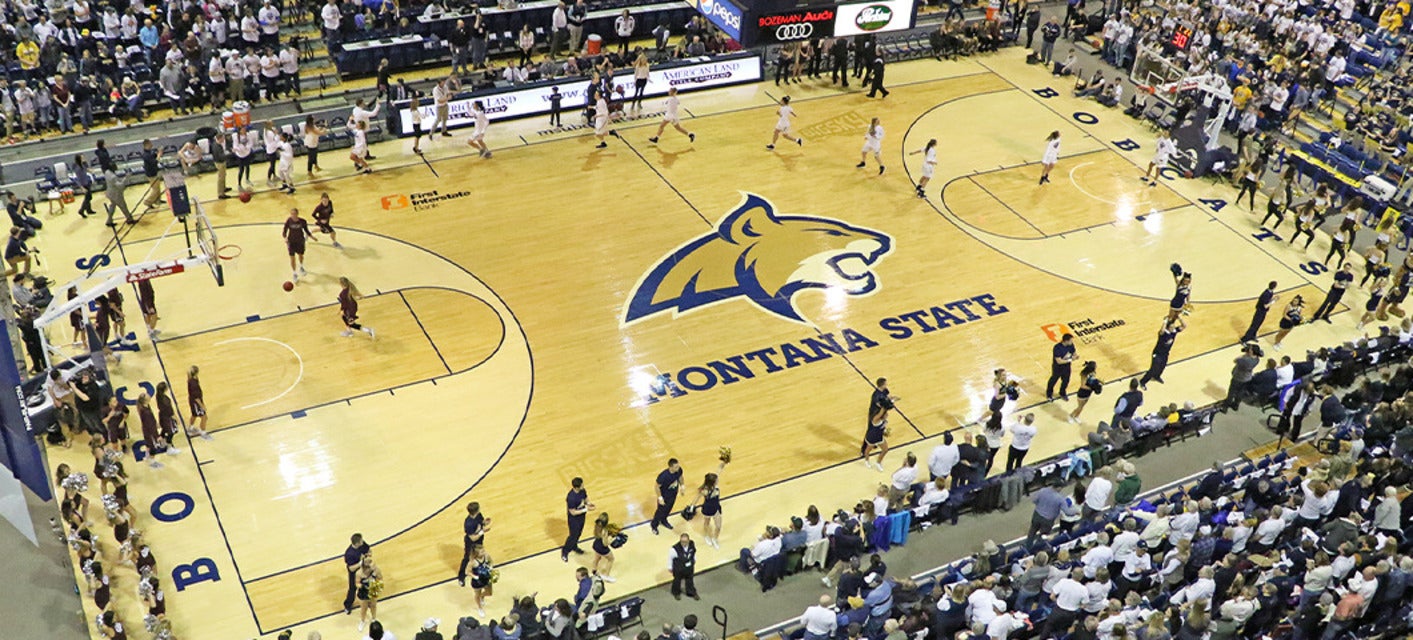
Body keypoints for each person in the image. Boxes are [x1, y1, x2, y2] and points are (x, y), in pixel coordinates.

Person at [688, 461, 727, 548]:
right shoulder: (705, 491)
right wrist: (691, 507)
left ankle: (715, 539)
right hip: (708, 509)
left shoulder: (715, 484)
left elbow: (719, 469)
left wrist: (724, 462)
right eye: (716, 480)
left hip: (716, 507)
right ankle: (706, 536)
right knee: (706, 523)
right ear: (712, 482)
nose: (718, 480)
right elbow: (697, 498)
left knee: (718, 526)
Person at [1139, 316, 1185, 389]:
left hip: (1165, 354)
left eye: (1174, 326)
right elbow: (1162, 330)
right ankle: (1143, 382)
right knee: (1153, 369)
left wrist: (1180, 318)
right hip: (1157, 354)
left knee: (1162, 366)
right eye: (1172, 327)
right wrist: (1165, 322)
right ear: (1168, 328)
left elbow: (1184, 326)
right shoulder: (1163, 334)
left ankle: (1156, 376)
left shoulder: (1174, 332)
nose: (1173, 328)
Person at [862, 378, 896, 471]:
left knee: (885, 449)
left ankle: (878, 462)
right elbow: (881, 408)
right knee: (867, 449)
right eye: (885, 384)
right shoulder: (875, 396)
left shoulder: (885, 391)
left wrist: (892, 399)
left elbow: (888, 398)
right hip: (874, 417)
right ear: (882, 384)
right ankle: (866, 459)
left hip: (879, 435)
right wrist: (888, 405)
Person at [456, 502, 487, 586]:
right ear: (476, 510)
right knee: (467, 558)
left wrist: (485, 523)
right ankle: (461, 577)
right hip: (471, 543)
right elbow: (473, 538)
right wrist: (482, 531)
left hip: (479, 540)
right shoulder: (469, 523)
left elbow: (481, 522)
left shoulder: (479, 515)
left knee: (480, 555)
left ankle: (478, 571)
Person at [561, 477, 592, 561]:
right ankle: (565, 551)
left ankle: (574, 546)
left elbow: (586, 498)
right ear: (577, 487)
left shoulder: (582, 490)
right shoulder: (571, 497)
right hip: (574, 520)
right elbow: (573, 512)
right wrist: (586, 509)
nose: (583, 485)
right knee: (573, 536)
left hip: (581, 516)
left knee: (579, 533)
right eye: (582, 484)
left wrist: (589, 504)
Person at [283, 207, 316, 283]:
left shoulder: (302, 221)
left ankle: (301, 266)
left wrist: (312, 237)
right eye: (292, 214)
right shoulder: (288, 221)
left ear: (297, 214)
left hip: (300, 241)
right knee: (292, 258)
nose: (293, 215)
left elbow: (306, 230)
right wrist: (285, 238)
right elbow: (284, 231)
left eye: (294, 214)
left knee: (301, 255)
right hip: (291, 242)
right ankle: (294, 273)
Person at [651, 458, 683, 535]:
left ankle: (664, 520)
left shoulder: (679, 470)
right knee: (660, 511)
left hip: (673, 494)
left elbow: (680, 477)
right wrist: (660, 498)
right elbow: (656, 487)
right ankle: (654, 525)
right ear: (670, 467)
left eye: (678, 466)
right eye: (676, 467)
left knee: (668, 509)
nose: (678, 468)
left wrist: (682, 486)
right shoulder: (663, 476)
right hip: (664, 496)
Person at [342, 533, 371, 614]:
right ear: (357, 543)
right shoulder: (349, 553)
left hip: (363, 570)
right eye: (361, 541)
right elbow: (351, 568)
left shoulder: (362, 544)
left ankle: (367, 601)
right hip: (354, 573)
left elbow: (368, 550)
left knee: (366, 585)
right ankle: (347, 606)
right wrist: (361, 563)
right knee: (352, 589)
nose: (363, 542)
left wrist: (368, 556)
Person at [356, 553, 383, 632]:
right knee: (364, 608)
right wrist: (363, 586)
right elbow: (357, 583)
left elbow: (380, 578)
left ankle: (374, 619)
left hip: (373, 589)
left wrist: (376, 584)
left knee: (373, 605)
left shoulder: (376, 570)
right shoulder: (359, 573)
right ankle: (362, 621)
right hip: (363, 591)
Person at [590, 512, 621, 581]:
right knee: (611, 559)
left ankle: (594, 571)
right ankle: (606, 575)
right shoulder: (604, 530)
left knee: (597, 558)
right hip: (602, 548)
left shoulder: (597, 526)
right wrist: (612, 540)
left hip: (596, 544)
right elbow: (605, 544)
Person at [668, 533, 698, 600]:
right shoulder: (674, 549)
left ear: (688, 541)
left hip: (689, 567)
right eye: (682, 542)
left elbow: (693, 553)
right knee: (677, 581)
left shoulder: (691, 545)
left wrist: (694, 560)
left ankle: (691, 592)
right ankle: (676, 593)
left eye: (685, 542)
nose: (683, 543)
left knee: (690, 580)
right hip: (679, 568)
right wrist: (670, 567)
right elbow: (670, 558)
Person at [1047, 333, 1076, 401]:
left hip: (1067, 367)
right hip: (1058, 368)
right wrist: (1070, 359)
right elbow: (1059, 361)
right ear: (1066, 341)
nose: (1072, 342)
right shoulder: (1057, 348)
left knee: (1066, 380)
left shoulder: (1071, 345)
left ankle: (1062, 393)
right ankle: (1049, 394)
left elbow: (1074, 353)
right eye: (1071, 341)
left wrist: (1075, 356)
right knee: (1053, 380)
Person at [186, 365, 210, 438]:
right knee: (204, 417)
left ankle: (190, 428)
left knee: (194, 415)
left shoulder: (191, 379)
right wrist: (202, 406)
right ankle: (203, 432)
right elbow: (196, 398)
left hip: (192, 400)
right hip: (196, 402)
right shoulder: (194, 384)